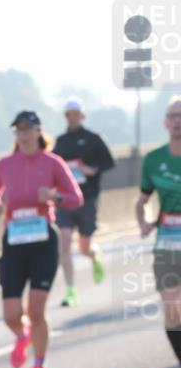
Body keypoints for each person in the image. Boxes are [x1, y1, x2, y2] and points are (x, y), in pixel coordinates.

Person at [0, 110, 83, 368]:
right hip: (14, 242)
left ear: (39, 132)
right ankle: (21, 335)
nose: (23, 135)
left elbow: (76, 197)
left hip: (43, 242)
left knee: (36, 310)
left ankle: (39, 367)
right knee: (11, 314)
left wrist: (54, 196)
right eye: (18, 130)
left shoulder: (52, 163)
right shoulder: (5, 164)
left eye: (28, 130)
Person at [135, 95, 181, 368]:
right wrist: (144, 221)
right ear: (165, 122)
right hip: (166, 241)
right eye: (173, 116)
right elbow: (142, 200)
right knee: (171, 308)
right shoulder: (153, 159)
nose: (178, 121)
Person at [52, 97, 116, 307]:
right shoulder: (60, 141)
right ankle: (71, 290)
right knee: (64, 239)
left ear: (82, 116)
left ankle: (94, 255)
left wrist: (92, 170)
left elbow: (110, 162)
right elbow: (52, 167)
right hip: (65, 200)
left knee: (83, 246)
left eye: (75, 114)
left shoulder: (93, 138)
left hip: (87, 198)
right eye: (68, 115)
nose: (72, 118)